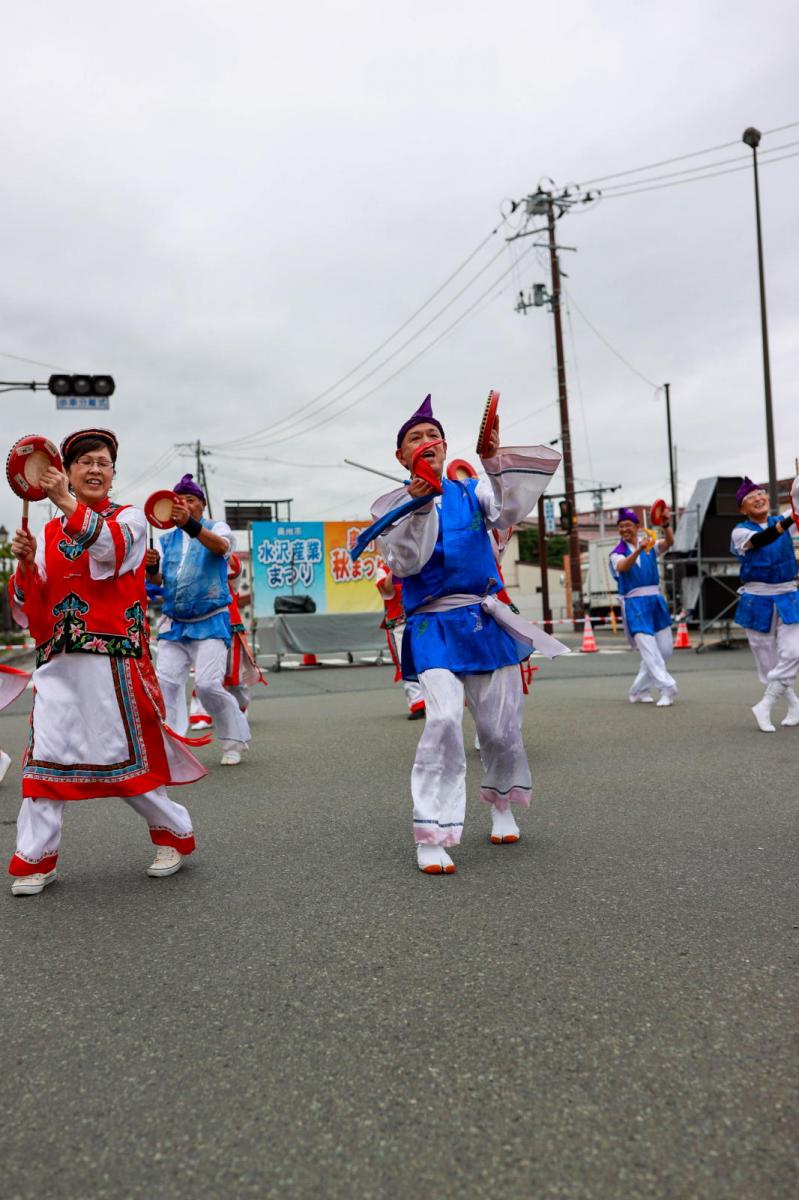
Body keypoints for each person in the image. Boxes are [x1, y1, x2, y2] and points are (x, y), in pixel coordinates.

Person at [366, 394, 566, 875]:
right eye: (415, 438)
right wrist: (416, 506)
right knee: (442, 721)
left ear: (444, 445)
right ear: (401, 456)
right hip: (433, 625)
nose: (426, 442)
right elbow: (405, 564)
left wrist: (493, 461)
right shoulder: (392, 506)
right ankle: (431, 830)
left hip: (482, 619)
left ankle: (500, 803)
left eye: (433, 435)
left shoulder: (472, 491)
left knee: (500, 730)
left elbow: (507, 511)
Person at [6, 428, 204, 897]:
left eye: (104, 462)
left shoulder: (130, 520)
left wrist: (67, 505)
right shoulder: (51, 530)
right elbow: (35, 610)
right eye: (85, 462)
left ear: (113, 473)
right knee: (44, 761)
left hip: (113, 662)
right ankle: (36, 857)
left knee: (126, 765)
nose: (95, 469)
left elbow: (109, 551)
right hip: (58, 662)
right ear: (67, 472)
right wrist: (28, 566)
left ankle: (172, 832)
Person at [147, 474, 250, 766]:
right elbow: (161, 580)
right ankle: (172, 746)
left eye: (190, 500)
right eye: (179, 501)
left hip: (210, 620)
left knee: (206, 685)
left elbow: (222, 549)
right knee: (165, 683)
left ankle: (233, 741)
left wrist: (190, 525)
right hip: (174, 622)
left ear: (202, 505)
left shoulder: (216, 528)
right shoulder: (166, 540)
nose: (184, 505)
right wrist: (151, 568)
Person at [730, 476, 799, 732]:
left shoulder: (782, 520)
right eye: (751, 498)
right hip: (757, 600)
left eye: (761, 494)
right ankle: (794, 704)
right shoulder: (740, 531)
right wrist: (791, 519)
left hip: (788, 595)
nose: (759, 499)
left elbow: (797, 507)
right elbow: (762, 540)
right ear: (743, 509)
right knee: (769, 663)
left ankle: (765, 705)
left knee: (793, 653)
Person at [610, 507, 676, 706]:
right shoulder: (617, 552)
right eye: (621, 526)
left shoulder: (649, 545)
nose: (624, 529)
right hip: (635, 604)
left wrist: (665, 524)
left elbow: (669, 542)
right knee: (650, 650)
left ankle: (639, 690)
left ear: (638, 527)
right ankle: (667, 688)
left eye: (628, 525)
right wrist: (639, 549)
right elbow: (623, 567)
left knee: (665, 650)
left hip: (655, 600)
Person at [375, 561, 425, 720]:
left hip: (420, 619)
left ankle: (432, 700)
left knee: (426, 660)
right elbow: (387, 589)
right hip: (399, 624)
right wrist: (394, 567)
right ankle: (417, 703)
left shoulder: (415, 562)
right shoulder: (382, 570)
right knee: (406, 663)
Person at [223, 554, 265, 713]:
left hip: (230, 628)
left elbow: (235, 567)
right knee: (206, 679)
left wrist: (220, 548)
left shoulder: (230, 576)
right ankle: (202, 715)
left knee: (232, 675)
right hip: (205, 629)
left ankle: (240, 707)